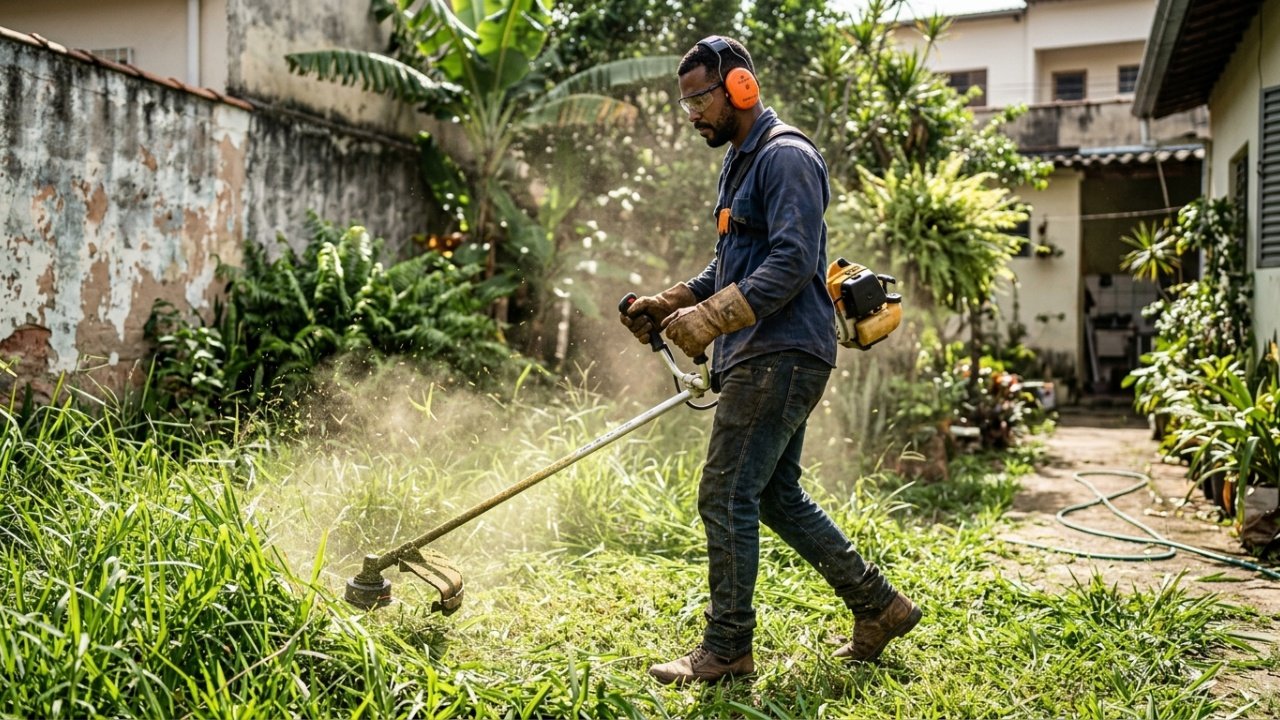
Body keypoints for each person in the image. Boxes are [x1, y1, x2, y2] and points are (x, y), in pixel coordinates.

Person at [619, 35, 921, 685]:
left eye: (700, 98)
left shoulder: (786, 157)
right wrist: (672, 299)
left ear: (740, 88)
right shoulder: (740, 161)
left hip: (780, 353)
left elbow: (790, 261)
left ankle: (727, 649)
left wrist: (707, 319)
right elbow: (733, 261)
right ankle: (880, 605)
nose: (692, 113)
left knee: (725, 493)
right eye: (685, 103)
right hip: (764, 352)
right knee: (776, 496)